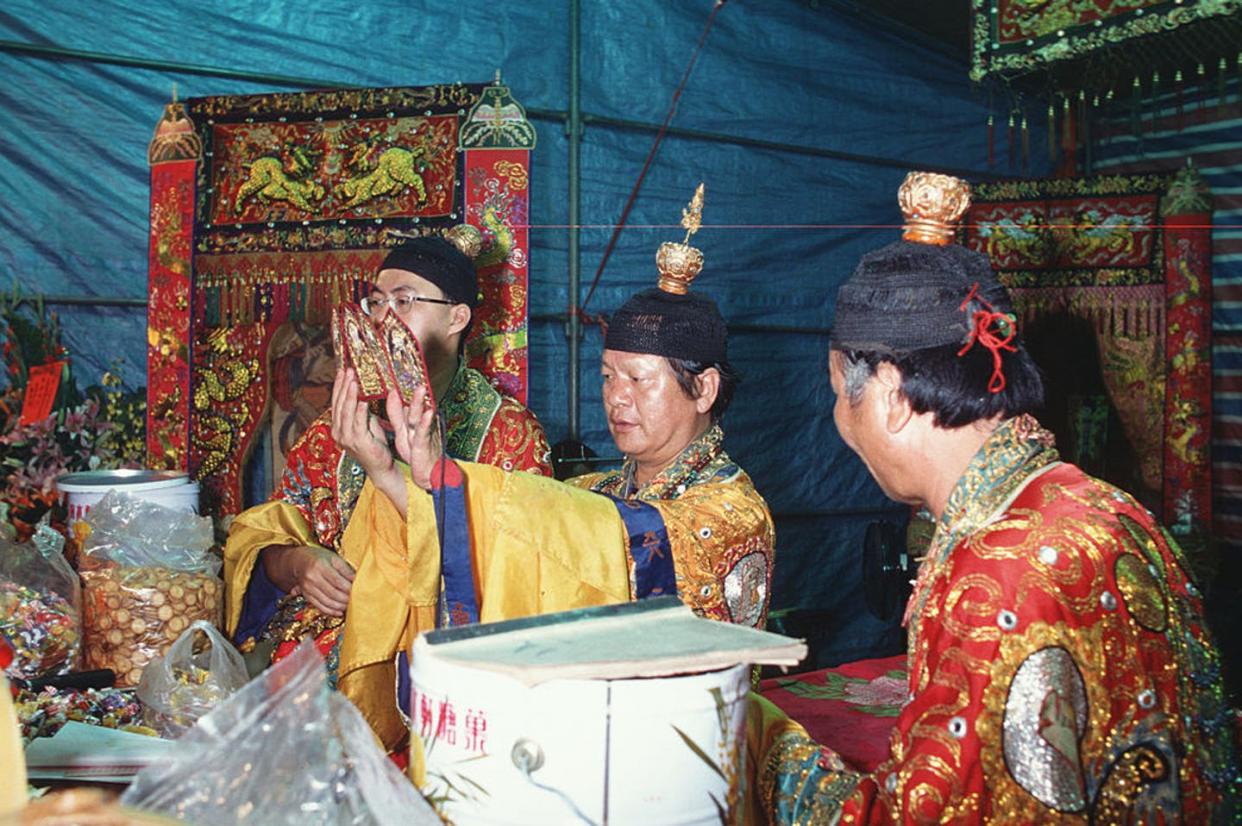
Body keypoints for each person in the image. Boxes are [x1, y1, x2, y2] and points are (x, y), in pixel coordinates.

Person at [751, 172, 1239, 822]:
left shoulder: (996, 573)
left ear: (892, 395)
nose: (839, 419)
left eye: (842, 390)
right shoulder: (1110, 506)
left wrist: (753, 738)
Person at [331, 185, 776, 751]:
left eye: (638, 379)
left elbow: (601, 548)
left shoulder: (730, 511)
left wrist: (437, 472)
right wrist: (390, 473)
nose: (616, 399)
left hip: (672, 752)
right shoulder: (597, 487)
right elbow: (504, 559)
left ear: (704, 387)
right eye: (607, 377)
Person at [223, 230, 553, 674]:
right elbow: (268, 533)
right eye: (376, 302)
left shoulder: (508, 433)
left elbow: (521, 574)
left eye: (404, 302)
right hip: (317, 667)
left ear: (456, 318)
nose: (382, 319)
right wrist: (296, 564)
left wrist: (390, 474)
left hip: (443, 667)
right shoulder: (338, 426)